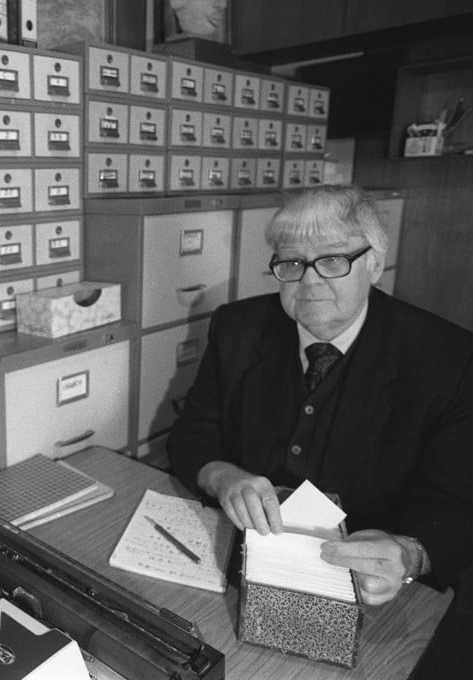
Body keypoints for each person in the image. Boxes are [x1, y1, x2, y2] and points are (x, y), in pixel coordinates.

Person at [168, 184, 473, 607]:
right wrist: (224, 477)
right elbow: (191, 434)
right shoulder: (238, 327)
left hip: (371, 587)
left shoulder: (449, 359)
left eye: (332, 260)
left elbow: (458, 504)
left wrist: (409, 553)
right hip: (245, 560)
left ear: (375, 264)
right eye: (292, 262)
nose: (309, 281)